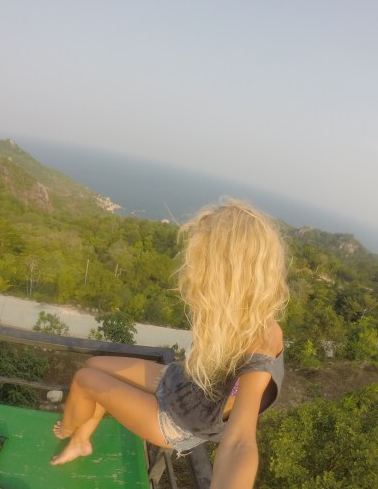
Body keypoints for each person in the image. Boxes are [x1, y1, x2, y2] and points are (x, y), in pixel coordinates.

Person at [50, 198, 289, 489]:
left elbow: (239, 442)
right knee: (94, 365)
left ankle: (69, 429)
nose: (194, 270)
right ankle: (81, 440)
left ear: (226, 272)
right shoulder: (240, 314)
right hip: (178, 382)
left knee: (84, 380)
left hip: (176, 421)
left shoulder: (260, 344)